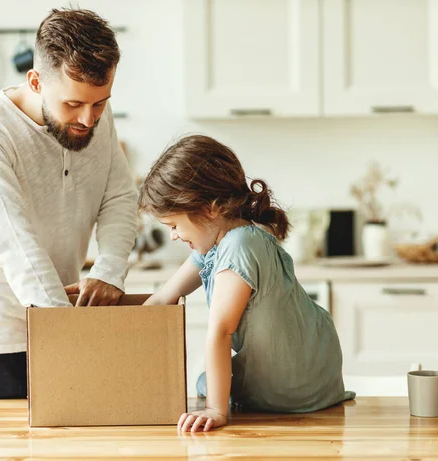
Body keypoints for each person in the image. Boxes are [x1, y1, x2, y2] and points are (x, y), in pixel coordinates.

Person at [0, 8, 138, 399]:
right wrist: (66, 331)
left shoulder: (94, 115)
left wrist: (110, 270)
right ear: (35, 81)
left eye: (100, 103)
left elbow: (118, 194)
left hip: (66, 322)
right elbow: (13, 242)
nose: (88, 118)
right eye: (73, 105)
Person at [139, 135, 355, 432]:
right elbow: (164, 296)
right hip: (318, 375)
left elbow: (221, 332)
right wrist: (119, 325)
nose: (174, 236)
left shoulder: (239, 245)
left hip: (287, 385)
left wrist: (215, 410)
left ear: (210, 209)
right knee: (209, 378)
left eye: (174, 225)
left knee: (205, 382)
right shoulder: (223, 238)